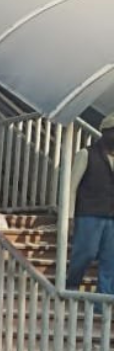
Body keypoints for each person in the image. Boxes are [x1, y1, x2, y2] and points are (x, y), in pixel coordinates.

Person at [65, 114, 114, 297]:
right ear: (106, 132)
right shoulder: (86, 154)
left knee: (110, 261)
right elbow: (71, 188)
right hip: (89, 214)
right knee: (85, 253)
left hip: (112, 216)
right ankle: (71, 286)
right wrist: (69, 216)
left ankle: (103, 301)